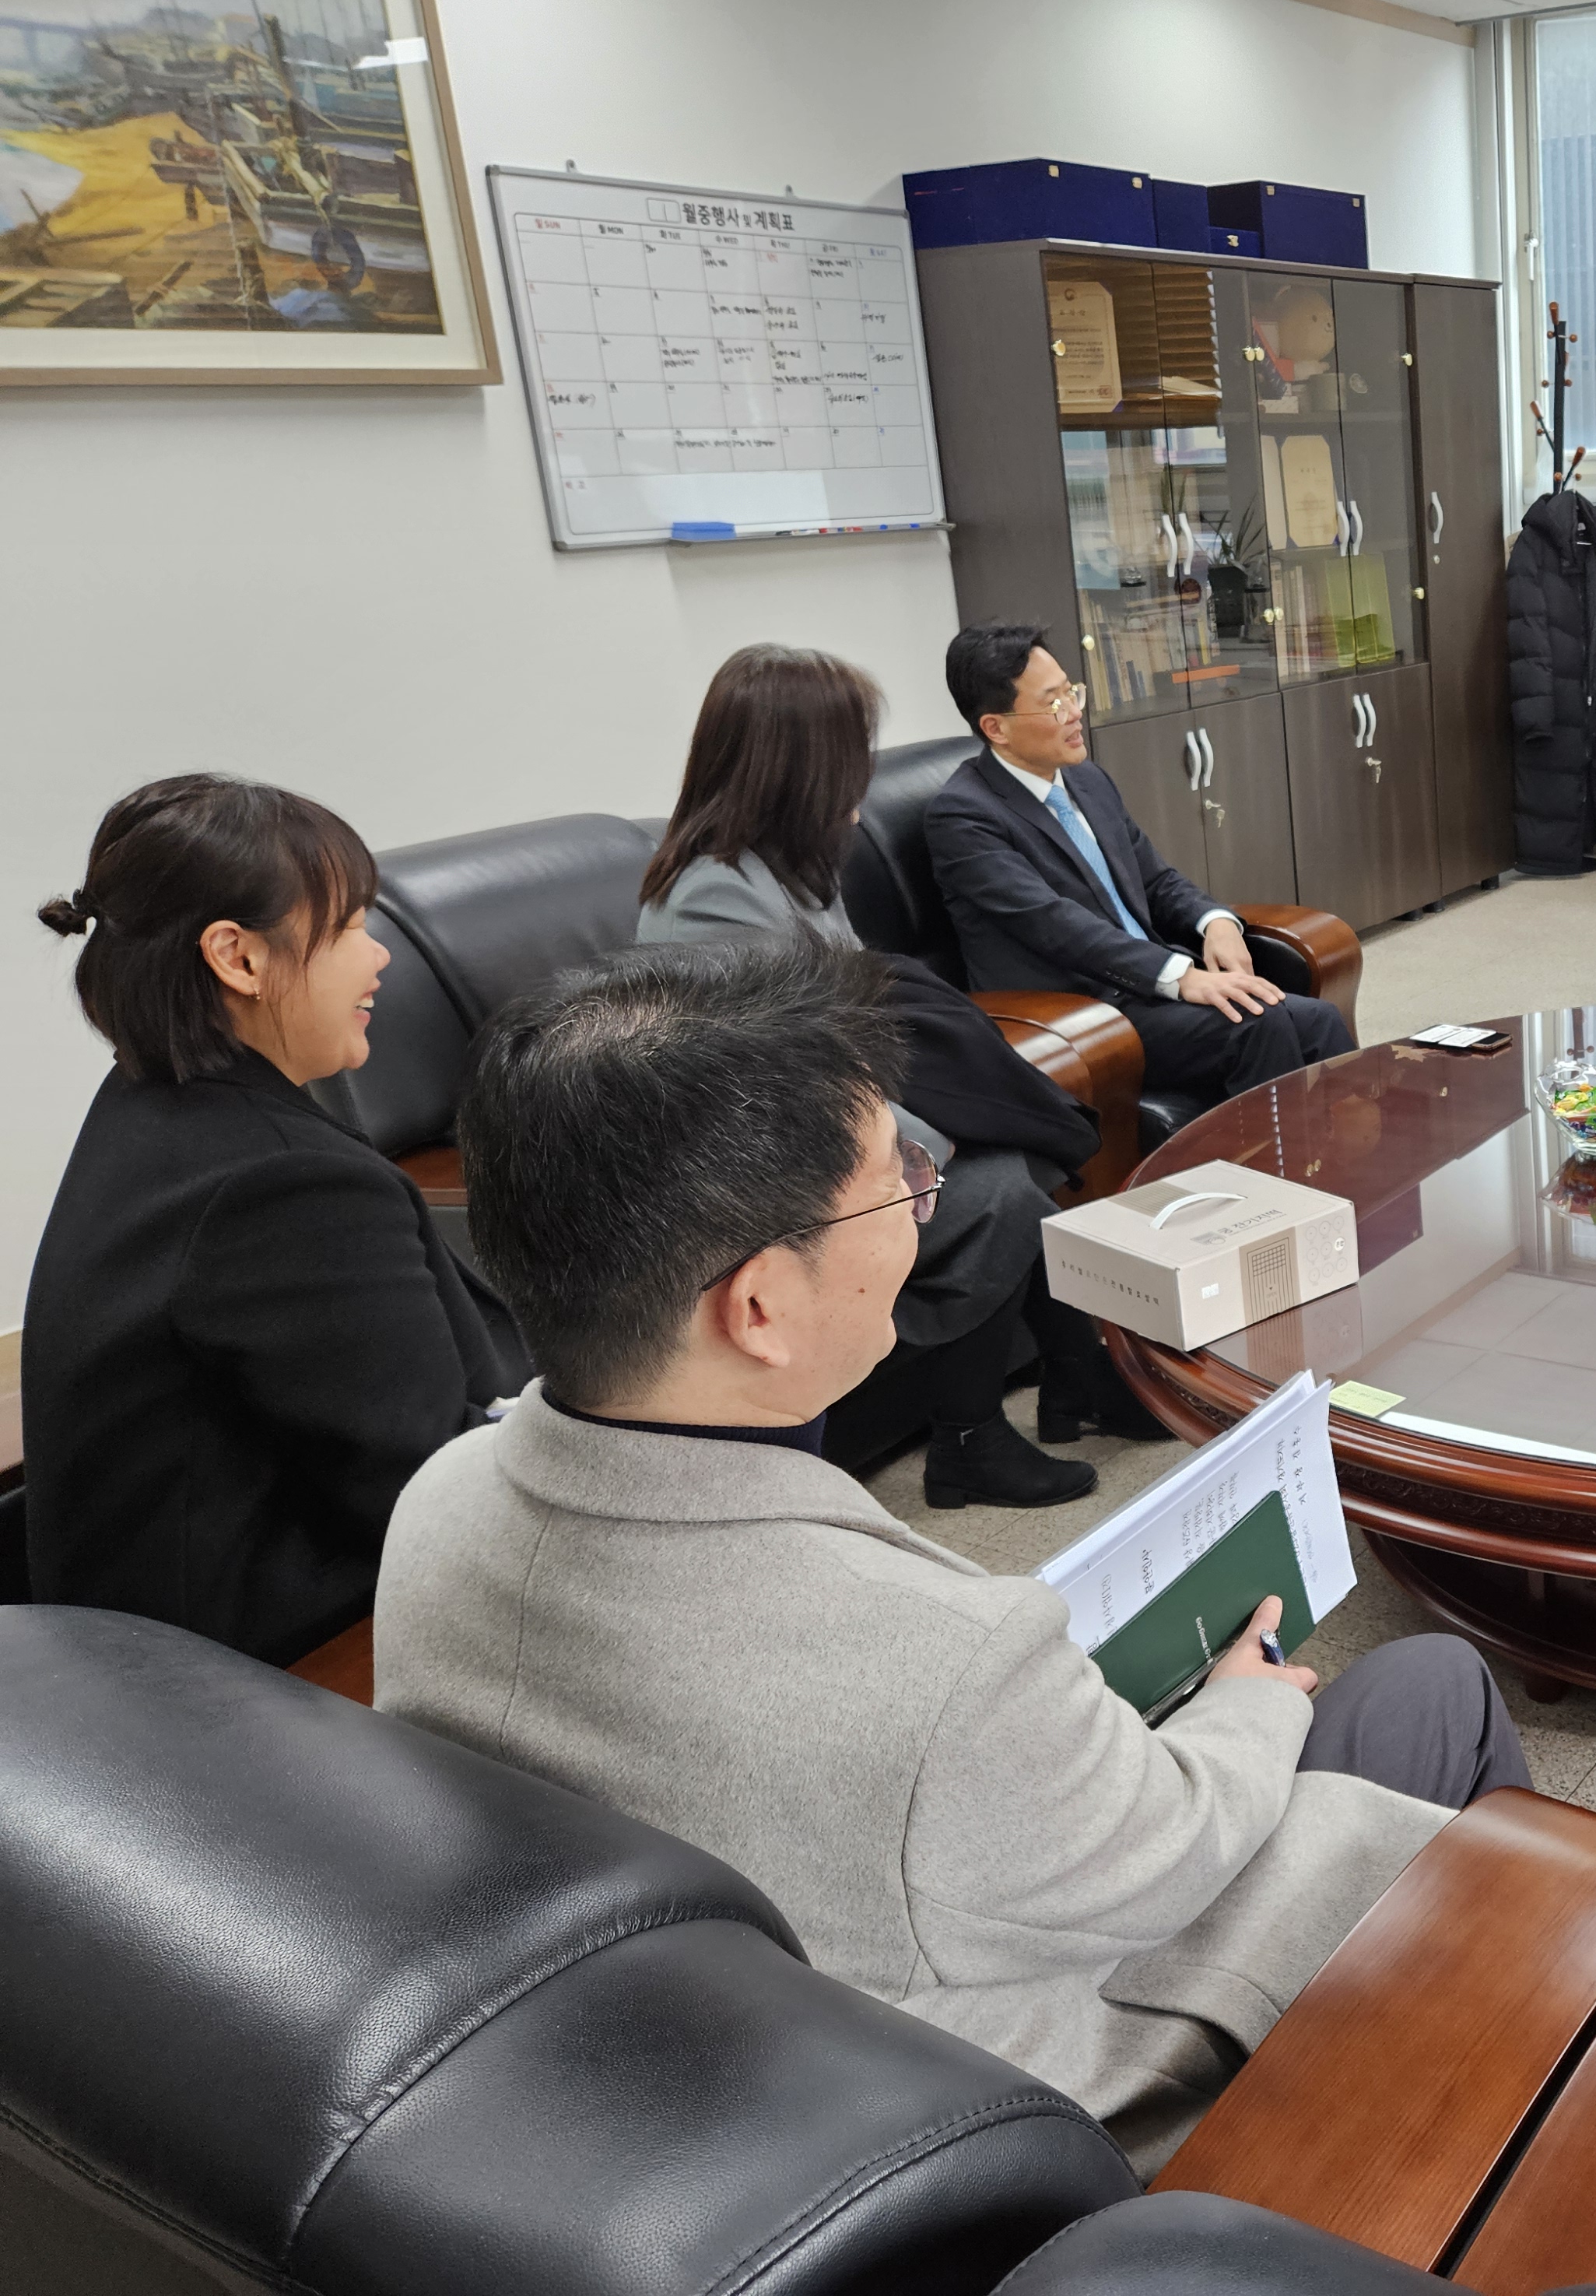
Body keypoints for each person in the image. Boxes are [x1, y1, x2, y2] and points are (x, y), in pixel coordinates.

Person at [374, 939, 1530, 2170]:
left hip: (718, 2074)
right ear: (758, 1308)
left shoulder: (438, 1503)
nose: (926, 1206)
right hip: (1018, 2096)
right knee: (1437, 1687)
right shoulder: (943, 1660)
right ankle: (1513, 2086)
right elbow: (1172, 1854)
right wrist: (1245, 1705)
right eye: (898, 1186)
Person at [20, 774, 527, 1665]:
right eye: (350, 928)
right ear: (239, 958)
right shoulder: (284, 1184)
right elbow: (432, 1497)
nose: (379, 958)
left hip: (143, 1648)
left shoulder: (155, 1102)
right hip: (260, 1677)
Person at [640, 642, 1161, 1499]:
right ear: (796, 767)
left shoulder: (787, 869)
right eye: (850, 759)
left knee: (1019, 1159)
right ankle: (972, 1439)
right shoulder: (713, 898)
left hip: (835, 1117)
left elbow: (855, 1033)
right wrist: (915, 1145)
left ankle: (1076, 1379)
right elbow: (778, 1083)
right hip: (764, 1162)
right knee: (999, 1192)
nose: (860, 785)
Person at [925, 623, 1353, 1105]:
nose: (1075, 712)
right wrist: (1181, 976)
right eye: (1053, 703)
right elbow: (1056, 925)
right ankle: (1269, 1155)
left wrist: (1215, 923)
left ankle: (1353, 1147)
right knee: (1258, 1022)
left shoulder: (1086, 780)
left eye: (1071, 691)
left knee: (1320, 1019)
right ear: (996, 728)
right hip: (1081, 1010)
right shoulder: (964, 817)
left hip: (1145, 982)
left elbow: (1155, 879)